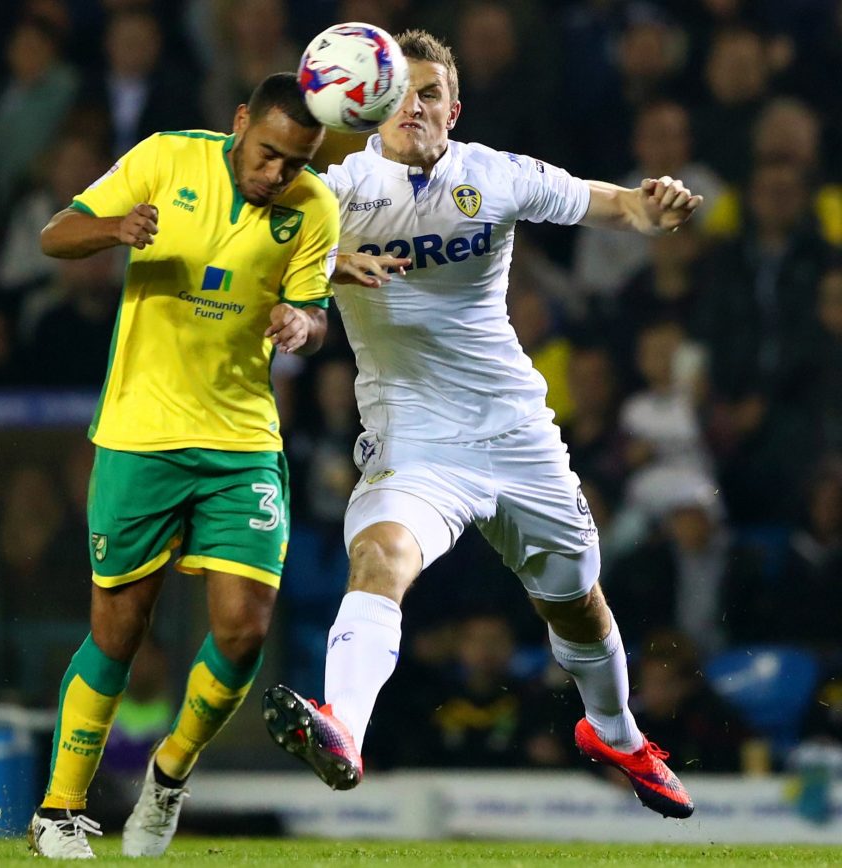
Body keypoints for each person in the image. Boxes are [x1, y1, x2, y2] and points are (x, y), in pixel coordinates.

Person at [263, 29, 701, 821]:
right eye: (399, 93)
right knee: (380, 556)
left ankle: (618, 734)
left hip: (516, 431)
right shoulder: (336, 193)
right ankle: (342, 728)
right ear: (371, 105)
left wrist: (651, 205)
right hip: (415, 437)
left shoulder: (493, 176)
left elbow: (611, 203)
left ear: (452, 109)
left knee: (575, 603)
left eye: (431, 93)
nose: (415, 107)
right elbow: (254, 252)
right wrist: (326, 268)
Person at [27, 72, 340, 859]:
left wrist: (301, 325)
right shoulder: (167, 157)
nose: (277, 176)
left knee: (242, 633)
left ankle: (168, 780)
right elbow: (55, 233)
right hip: (140, 433)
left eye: (294, 164)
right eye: (268, 155)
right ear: (240, 123)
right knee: (120, 631)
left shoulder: (314, 208)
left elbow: (316, 314)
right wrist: (116, 229)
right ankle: (59, 812)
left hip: (240, 442)